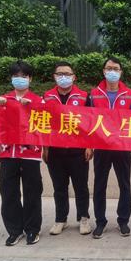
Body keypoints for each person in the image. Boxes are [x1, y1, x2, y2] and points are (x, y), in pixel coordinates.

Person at [0, 60, 43, 246]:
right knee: (8, 191)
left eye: (24, 76)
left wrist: (32, 108)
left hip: (30, 153)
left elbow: (46, 127)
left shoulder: (38, 100)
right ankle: (14, 230)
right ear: (11, 78)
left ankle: (32, 229)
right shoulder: (4, 100)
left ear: (30, 79)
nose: (20, 79)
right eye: (16, 76)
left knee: (32, 192)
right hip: (7, 154)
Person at [43, 61, 93, 236]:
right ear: (54, 76)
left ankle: (83, 218)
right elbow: (43, 123)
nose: (63, 77)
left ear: (74, 77)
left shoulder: (84, 97)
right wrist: (45, 147)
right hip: (55, 151)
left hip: (78, 150)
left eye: (67, 74)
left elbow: (90, 122)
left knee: (81, 187)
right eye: (60, 74)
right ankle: (60, 219)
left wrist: (89, 145)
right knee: (59, 187)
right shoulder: (47, 97)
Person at [88, 57, 131, 239]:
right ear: (104, 71)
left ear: (121, 72)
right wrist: (89, 145)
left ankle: (123, 221)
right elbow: (89, 120)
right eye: (109, 68)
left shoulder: (129, 94)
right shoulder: (94, 94)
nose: (112, 72)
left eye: (115, 69)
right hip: (101, 146)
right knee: (99, 185)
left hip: (122, 147)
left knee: (125, 184)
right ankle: (100, 222)